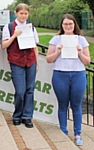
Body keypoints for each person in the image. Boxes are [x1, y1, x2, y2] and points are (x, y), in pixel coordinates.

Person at [46, 14, 90, 146]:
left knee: (76, 105)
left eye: (70, 24)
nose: (68, 26)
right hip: (60, 74)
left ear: (74, 25)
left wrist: (79, 52)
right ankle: (63, 131)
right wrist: (58, 50)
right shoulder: (56, 39)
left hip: (78, 75)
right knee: (63, 105)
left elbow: (87, 61)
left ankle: (77, 133)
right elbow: (49, 59)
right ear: (62, 26)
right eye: (65, 24)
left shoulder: (81, 40)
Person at [1, 3, 39, 128]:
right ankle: (17, 114)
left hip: (30, 61)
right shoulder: (9, 27)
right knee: (20, 91)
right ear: (16, 13)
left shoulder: (31, 27)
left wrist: (37, 62)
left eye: (26, 13)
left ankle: (27, 116)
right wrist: (14, 36)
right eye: (21, 13)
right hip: (16, 62)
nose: (23, 16)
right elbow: (4, 45)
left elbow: (35, 47)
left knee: (30, 90)